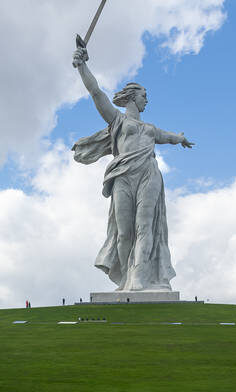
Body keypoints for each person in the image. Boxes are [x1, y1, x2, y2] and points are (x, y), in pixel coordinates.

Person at [72, 44, 193, 292]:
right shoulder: (117, 120)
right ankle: (127, 277)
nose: (147, 99)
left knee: (145, 227)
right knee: (124, 233)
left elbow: (169, 137)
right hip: (123, 177)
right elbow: (96, 93)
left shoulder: (150, 128)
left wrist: (180, 138)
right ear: (132, 96)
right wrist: (83, 66)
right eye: (144, 95)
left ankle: (139, 277)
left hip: (148, 174)